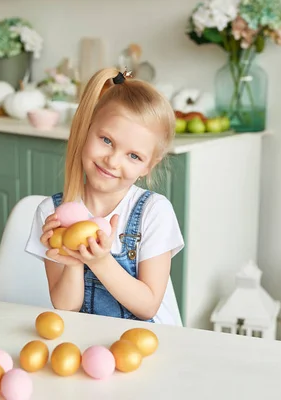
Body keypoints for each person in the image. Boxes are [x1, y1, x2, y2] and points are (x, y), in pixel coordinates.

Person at [25, 67, 184, 325]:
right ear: (86, 130)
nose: (112, 161)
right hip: (92, 341)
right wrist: (73, 260)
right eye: (106, 140)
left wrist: (101, 262)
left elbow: (148, 306)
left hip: (151, 340)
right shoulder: (52, 211)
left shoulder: (153, 211)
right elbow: (65, 307)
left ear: (147, 167)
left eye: (134, 156)